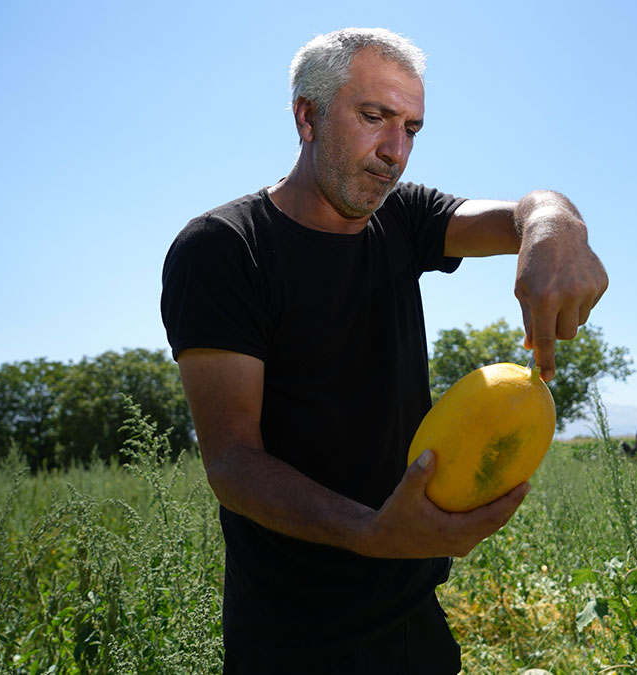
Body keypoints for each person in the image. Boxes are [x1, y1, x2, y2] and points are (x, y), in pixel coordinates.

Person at [160, 27, 607, 674]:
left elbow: (523, 213)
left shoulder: (403, 218)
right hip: (292, 639)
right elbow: (232, 461)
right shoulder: (224, 248)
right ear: (306, 116)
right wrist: (371, 531)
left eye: (412, 128)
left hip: (415, 618)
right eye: (374, 117)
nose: (395, 152)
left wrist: (553, 224)